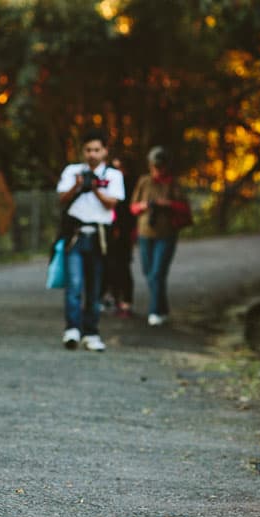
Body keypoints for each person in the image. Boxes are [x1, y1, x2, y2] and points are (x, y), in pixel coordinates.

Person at [55, 129, 126, 351]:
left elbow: (112, 203)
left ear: (105, 151)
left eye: (96, 150)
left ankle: (91, 332)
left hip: (100, 237)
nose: (92, 154)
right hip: (76, 235)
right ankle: (72, 329)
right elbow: (62, 198)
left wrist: (94, 187)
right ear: (82, 151)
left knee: (95, 287)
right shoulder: (72, 172)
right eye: (88, 150)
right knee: (74, 284)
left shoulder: (113, 176)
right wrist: (79, 185)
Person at [130, 146, 185, 326]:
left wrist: (166, 204)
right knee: (148, 272)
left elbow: (184, 208)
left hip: (166, 234)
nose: (158, 170)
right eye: (155, 166)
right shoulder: (144, 182)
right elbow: (133, 207)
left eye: (161, 166)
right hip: (145, 233)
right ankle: (163, 308)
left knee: (157, 273)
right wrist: (145, 206)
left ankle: (154, 311)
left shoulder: (173, 183)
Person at [102, 157, 136, 318]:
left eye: (120, 168)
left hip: (123, 234)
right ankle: (114, 299)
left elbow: (130, 213)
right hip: (108, 233)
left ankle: (126, 301)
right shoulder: (107, 185)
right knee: (110, 267)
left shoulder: (129, 187)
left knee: (123, 267)